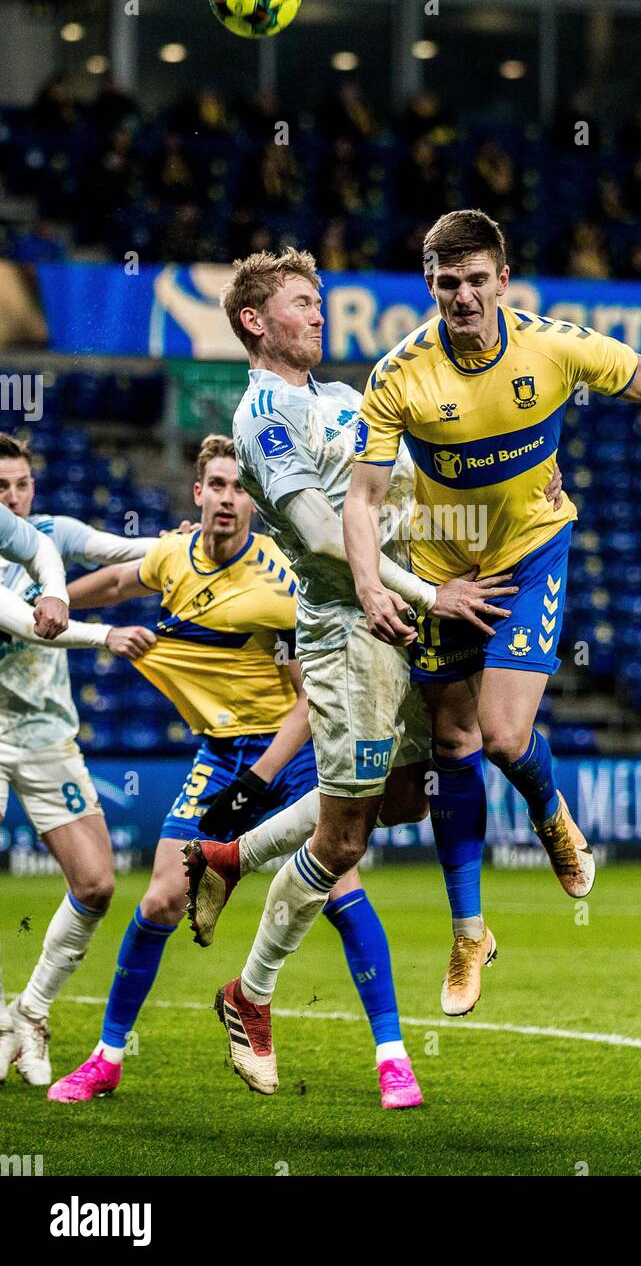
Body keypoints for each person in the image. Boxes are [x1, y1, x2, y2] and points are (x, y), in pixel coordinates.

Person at [342, 208, 641, 1015]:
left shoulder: (553, 345)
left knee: (501, 735)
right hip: (443, 574)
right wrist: (373, 586)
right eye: (446, 283)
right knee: (452, 743)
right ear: (430, 285)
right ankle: (468, 935)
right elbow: (361, 497)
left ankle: (551, 813)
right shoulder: (397, 375)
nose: (462, 297)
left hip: (530, 554)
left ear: (503, 278)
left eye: (475, 281)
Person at [196, 246, 556, 1098]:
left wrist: (524, 476)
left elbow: (425, 467)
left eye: (320, 299)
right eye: (300, 301)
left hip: (405, 627)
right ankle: (249, 994)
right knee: (347, 838)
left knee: (404, 798)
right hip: (351, 635)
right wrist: (435, 589)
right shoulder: (265, 418)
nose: (319, 313)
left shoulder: (343, 399)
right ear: (255, 321)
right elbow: (325, 535)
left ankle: (228, 856)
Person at [46, 435, 424, 1110]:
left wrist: (263, 776)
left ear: (255, 498)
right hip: (220, 755)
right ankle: (106, 1060)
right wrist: (51, 605)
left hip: (293, 752)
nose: (227, 499)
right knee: (162, 897)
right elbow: (113, 582)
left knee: (340, 887)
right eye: (216, 485)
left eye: (240, 487)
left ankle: (393, 1060)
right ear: (197, 494)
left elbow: (315, 694)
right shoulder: (171, 556)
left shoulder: (284, 577)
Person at [0, 433, 155, 1085]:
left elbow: (122, 551)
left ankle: (28, 1015)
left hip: (44, 734)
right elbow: (21, 620)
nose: (13, 497)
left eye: (21, 485)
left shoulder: (47, 532)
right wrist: (105, 635)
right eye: (0, 489)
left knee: (95, 883)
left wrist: (187, 545)